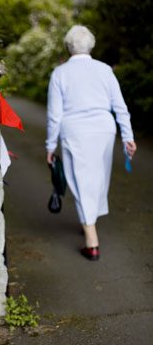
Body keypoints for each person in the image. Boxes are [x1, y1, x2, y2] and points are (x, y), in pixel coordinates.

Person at [46, 25, 137, 260]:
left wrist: (50, 146)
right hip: (104, 130)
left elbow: (54, 115)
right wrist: (127, 136)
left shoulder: (60, 73)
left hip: (74, 131)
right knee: (96, 178)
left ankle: (91, 239)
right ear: (91, 46)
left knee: (79, 180)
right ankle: (89, 220)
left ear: (68, 47)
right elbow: (120, 106)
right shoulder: (105, 70)